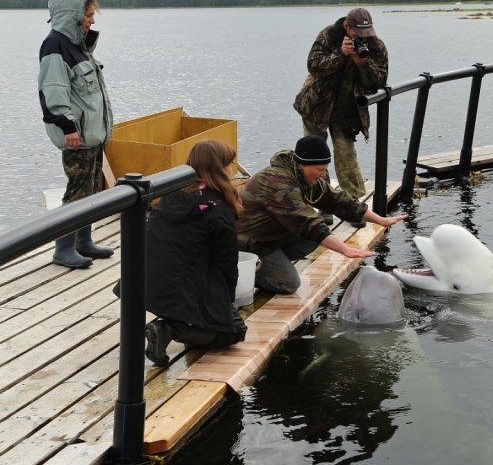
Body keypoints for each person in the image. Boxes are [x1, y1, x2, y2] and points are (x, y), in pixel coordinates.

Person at [237, 136, 407, 295]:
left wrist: (381, 220)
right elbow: (309, 223)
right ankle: (241, 270)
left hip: (269, 235)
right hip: (249, 244)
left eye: (325, 170)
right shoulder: (277, 184)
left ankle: (272, 262)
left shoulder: (303, 177)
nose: (323, 175)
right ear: (303, 164)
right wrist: (345, 250)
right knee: (289, 283)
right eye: (320, 169)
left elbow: (339, 202)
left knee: (312, 240)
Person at [143, 140, 247, 367]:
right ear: (219, 168)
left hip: (146, 285)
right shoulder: (218, 208)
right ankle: (168, 330)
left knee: (216, 315)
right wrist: (227, 301)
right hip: (186, 285)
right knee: (235, 331)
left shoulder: (169, 194)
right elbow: (227, 261)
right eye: (229, 164)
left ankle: (175, 321)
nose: (232, 170)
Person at [38, 0, 114, 269]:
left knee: (91, 188)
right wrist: (68, 127)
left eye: (92, 15)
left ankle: (84, 241)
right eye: (88, 14)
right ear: (73, 14)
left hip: (91, 134)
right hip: (76, 136)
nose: (92, 21)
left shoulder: (77, 45)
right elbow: (53, 91)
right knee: (77, 191)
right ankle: (64, 248)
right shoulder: (55, 45)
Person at [293, 7, 389, 227]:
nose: (362, 38)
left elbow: (377, 82)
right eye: (357, 33)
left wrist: (361, 62)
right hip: (316, 104)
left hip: (347, 108)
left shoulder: (375, 45)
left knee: (346, 155)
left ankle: (352, 207)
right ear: (347, 26)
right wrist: (340, 54)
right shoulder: (329, 35)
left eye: (366, 32)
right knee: (315, 156)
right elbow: (314, 66)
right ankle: (322, 205)